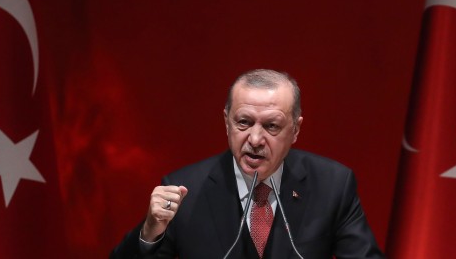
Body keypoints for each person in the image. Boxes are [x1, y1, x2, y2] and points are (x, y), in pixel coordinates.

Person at [110, 69, 384, 259]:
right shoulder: (184, 190)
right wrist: (149, 233)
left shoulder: (332, 185)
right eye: (243, 122)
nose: (254, 139)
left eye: (271, 126)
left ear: (295, 130)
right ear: (226, 122)